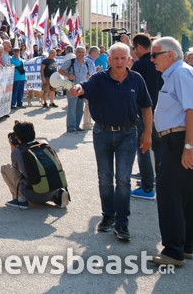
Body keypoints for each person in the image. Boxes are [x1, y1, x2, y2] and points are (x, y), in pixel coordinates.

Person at [70, 42, 152, 242]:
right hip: (102, 133)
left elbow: (146, 106)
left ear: (129, 60)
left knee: (123, 178)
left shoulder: (136, 79)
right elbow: (84, 87)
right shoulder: (100, 78)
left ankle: (122, 223)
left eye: (123, 58)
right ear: (109, 60)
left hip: (128, 134)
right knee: (105, 178)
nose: (119, 62)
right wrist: (77, 88)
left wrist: (148, 133)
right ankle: (108, 216)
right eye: (115, 58)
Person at [142, 37, 193, 266]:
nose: (152, 59)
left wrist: (188, 146)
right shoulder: (178, 74)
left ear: (170, 55)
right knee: (185, 195)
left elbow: (191, 110)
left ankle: (173, 251)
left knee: (169, 195)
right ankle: (187, 246)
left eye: (155, 55)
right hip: (178, 139)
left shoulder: (180, 74)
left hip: (179, 139)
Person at [0, 121, 70, 210]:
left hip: (34, 194)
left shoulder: (18, 151)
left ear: (17, 137)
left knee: (5, 168)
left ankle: (21, 199)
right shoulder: (44, 143)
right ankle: (57, 194)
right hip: (53, 187)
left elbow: (16, 169)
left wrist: (13, 147)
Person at [130, 33, 163, 201]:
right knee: (158, 148)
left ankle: (147, 186)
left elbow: (131, 92)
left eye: (133, 48)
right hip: (159, 111)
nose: (133, 51)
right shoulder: (158, 62)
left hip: (143, 112)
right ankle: (158, 182)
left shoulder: (140, 66)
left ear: (139, 47)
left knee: (143, 148)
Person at [59, 46, 92, 133]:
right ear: (75, 53)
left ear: (85, 53)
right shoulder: (71, 62)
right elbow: (60, 70)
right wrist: (68, 75)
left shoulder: (87, 63)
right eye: (79, 52)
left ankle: (77, 126)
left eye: (82, 52)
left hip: (82, 89)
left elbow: (89, 74)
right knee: (72, 108)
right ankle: (71, 127)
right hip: (72, 87)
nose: (81, 54)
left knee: (80, 108)